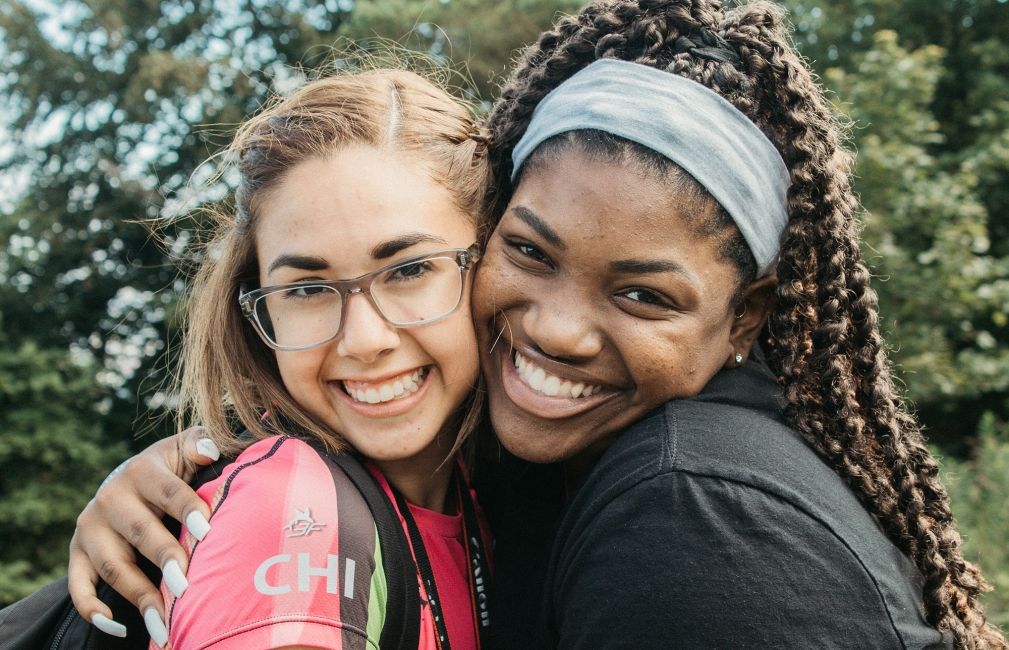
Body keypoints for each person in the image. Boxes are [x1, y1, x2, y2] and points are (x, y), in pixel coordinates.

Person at [67, 1, 1006, 647]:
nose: (556, 329)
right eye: (532, 255)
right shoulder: (299, 513)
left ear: (743, 320)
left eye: (409, 269)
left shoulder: (684, 509)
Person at [70, 68, 495, 649]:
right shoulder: (293, 513)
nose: (364, 340)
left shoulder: (496, 484)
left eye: (410, 269)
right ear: (259, 307)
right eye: (306, 289)